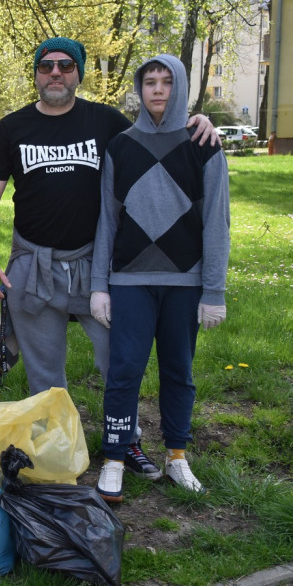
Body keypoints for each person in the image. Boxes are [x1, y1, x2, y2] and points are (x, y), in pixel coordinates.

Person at [0, 36, 219, 481]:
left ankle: (126, 443)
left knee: (119, 361)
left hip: (98, 267)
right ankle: (56, 453)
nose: (55, 73)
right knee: (45, 371)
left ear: (79, 73)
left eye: (66, 66)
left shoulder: (106, 121)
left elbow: (157, 131)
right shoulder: (13, 127)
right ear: (35, 71)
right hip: (35, 264)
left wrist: (197, 120)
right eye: (46, 64)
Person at [90, 54, 230, 503]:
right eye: (149, 81)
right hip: (129, 282)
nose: (157, 90)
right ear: (139, 87)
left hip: (186, 284)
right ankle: (113, 458)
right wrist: (98, 285)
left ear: (180, 86)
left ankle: (176, 456)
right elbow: (107, 222)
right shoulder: (120, 147)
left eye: (167, 82)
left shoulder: (203, 144)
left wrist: (214, 291)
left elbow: (216, 221)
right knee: (124, 371)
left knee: (179, 372)